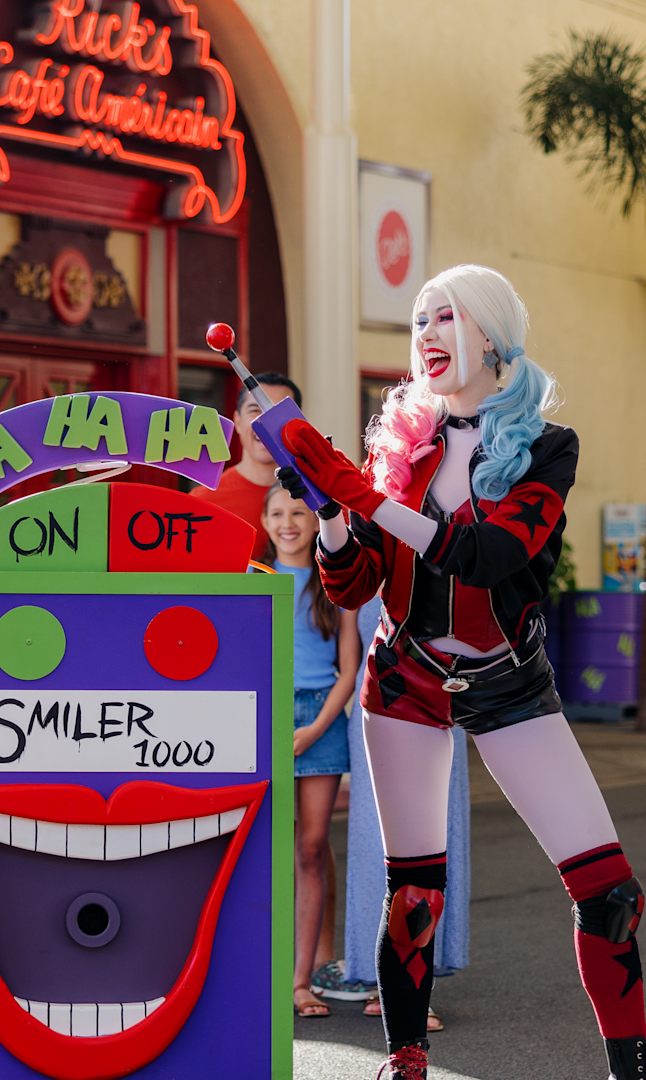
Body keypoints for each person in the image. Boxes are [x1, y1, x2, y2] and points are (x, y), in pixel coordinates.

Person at [282, 264, 644, 1080]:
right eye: (418, 321)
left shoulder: (547, 448)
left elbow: (492, 555)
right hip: (404, 677)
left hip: (510, 681)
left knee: (611, 894)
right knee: (413, 896)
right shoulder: (398, 446)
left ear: (491, 332)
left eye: (445, 316)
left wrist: (364, 500)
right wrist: (335, 515)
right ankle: (404, 1061)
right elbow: (354, 585)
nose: (427, 333)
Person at [343, 595, 470, 1034]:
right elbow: (347, 662)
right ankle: (381, 983)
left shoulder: (446, 558)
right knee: (372, 852)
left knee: (431, 859)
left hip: (440, 715)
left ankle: (422, 991)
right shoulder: (358, 567)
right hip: (373, 718)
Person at [259, 485, 360, 1018]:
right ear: (265, 520)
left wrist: (318, 726)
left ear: (315, 520)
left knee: (312, 846)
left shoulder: (333, 583)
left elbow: (349, 668)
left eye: (298, 511)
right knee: (267, 850)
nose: (289, 522)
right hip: (267, 715)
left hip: (322, 718)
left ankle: (302, 982)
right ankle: (268, 969)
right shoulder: (253, 579)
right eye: (277, 513)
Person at [191, 371, 301, 558]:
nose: (266, 421)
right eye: (255, 410)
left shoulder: (321, 500)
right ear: (238, 421)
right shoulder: (203, 503)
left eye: (277, 411)